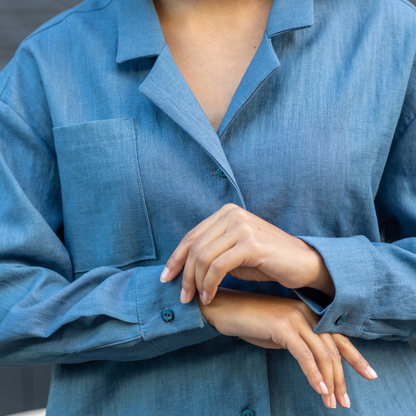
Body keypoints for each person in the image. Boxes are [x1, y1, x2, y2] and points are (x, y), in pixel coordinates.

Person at [0, 0, 416, 414]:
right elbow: (8, 297)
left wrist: (316, 266)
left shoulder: (394, 35)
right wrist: (194, 304)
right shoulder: (46, 64)